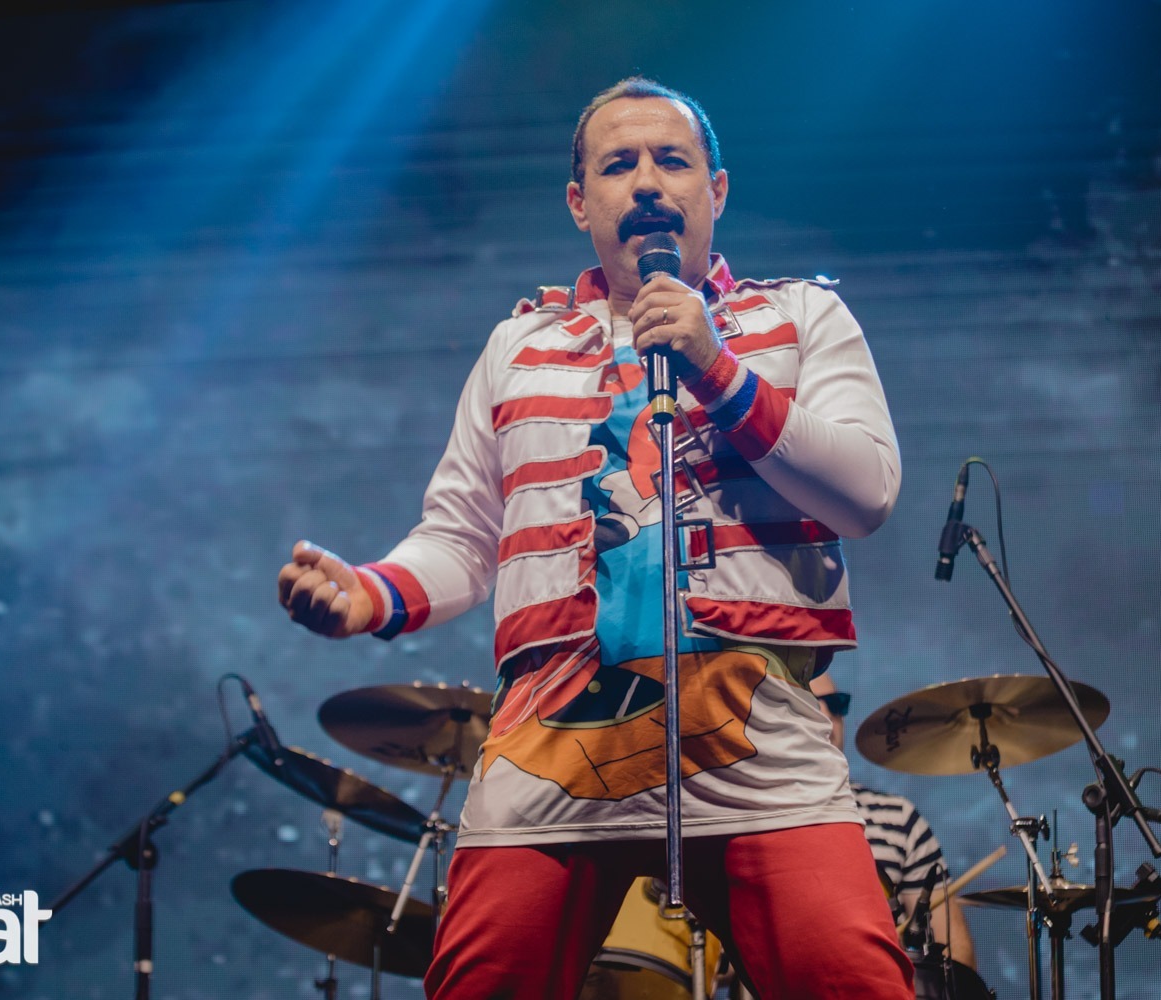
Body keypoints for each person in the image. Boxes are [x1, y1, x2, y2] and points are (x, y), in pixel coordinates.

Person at [278, 77, 910, 1000]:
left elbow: (866, 492)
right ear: (581, 203)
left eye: (672, 161)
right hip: (551, 739)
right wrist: (369, 595)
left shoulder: (802, 317)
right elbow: (462, 538)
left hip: (755, 734)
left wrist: (715, 365)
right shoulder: (516, 346)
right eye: (619, 165)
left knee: (854, 983)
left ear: (715, 190)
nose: (647, 182)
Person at [809, 673, 978, 970]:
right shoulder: (750, 821)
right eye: (808, 703)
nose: (826, 715)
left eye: (835, 704)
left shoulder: (899, 818)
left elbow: (956, 960)